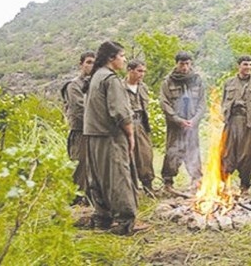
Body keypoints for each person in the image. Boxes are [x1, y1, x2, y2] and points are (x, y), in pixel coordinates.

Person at [84, 41, 146, 235]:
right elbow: (120, 112)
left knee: (100, 178)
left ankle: (102, 217)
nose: (124, 59)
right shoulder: (110, 79)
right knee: (119, 177)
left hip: (93, 135)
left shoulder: (96, 76)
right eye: (122, 56)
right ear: (112, 58)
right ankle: (125, 222)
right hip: (109, 136)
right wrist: (130, 134)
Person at [220, 55, 251, 195]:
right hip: (232, 121)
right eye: (245, 64)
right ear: (239, 66)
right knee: (227, 153)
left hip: (249, 124)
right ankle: (224, 183)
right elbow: (223, 102)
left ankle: (245, 185)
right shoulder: (229, 83)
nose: (248, 67)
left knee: (247, 155)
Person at [160, 51, 206, 192]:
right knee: (172, 152)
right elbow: (164, 103)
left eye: (187, 63)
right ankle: (168, 182)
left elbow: (202, 104)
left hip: (192, 124)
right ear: (177, 64)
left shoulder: (197, 80)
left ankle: (196, 180)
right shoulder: (168, 81)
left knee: (193, 151)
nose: (185, 67)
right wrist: (177, 120)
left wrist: (194, 120)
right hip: (175, 125)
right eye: (182, 64)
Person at [61, 51, 95, 205]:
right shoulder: (73, 86)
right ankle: (73, 200)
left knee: (94, 167)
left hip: (95, 132)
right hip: (80, 131)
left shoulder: (96, 84)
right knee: (79, 166)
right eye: (88, 62)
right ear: (81, 64)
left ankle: (89, 198)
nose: (91, 65)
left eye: (94, 62)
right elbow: (80, 109)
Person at [125, 59, 155, 196]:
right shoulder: (119, 87)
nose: (142, 74)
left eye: (144, 71)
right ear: (130, 70)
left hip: (141, 124)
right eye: (139, 71)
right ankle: (130, 188)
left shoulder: (143, 87)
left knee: (145, 155)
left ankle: (148, 186)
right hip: (125, 125)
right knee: (127, 157)